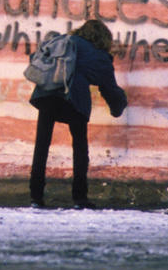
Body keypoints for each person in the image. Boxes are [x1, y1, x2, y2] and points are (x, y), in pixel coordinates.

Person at [29, 19, 127, 209]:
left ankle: (36, 197)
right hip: (75, 98)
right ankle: (80, 198)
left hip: (47, 93)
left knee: (42, 145)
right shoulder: (100, 56)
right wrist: (118, 108)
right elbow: (110, 89)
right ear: (103, 38)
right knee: (80, 146)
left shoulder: (64, 41)